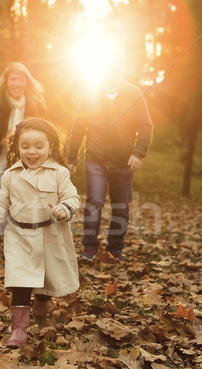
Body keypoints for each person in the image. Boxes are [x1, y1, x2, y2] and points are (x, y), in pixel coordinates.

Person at [0, 118, 80, 347]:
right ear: (16, 147)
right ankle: (19, 329)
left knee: (47, 277)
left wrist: (65, 208)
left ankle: (42, 301)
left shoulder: (59, 173)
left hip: (50, 235)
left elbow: (72, 197)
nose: (32, 152)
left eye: (39, 146)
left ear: (50, 147)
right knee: (20, 281)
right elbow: (1, 205)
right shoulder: (10, 175)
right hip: (19, 235)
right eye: (25, 146)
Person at [68, 51, 153, 262]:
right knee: (94, 201)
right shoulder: (90, 94)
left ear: (122, 68)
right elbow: (78, 127)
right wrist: (72, 157)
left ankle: (115, 249)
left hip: (123, 161)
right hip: (95, 159)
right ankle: (89, 249)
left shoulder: (134, 94)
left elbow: (145, 126)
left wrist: (138, 153)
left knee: (120, 207)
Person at [0, 63, 47, 194]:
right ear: (6, 82)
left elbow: (46, 135)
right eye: (13, 79)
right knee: (4, 199)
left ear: (27, 82)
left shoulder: (36, 104)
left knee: (24, 201)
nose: (18, 83)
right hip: (1, 158)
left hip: (29, 158)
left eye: (22, 79)